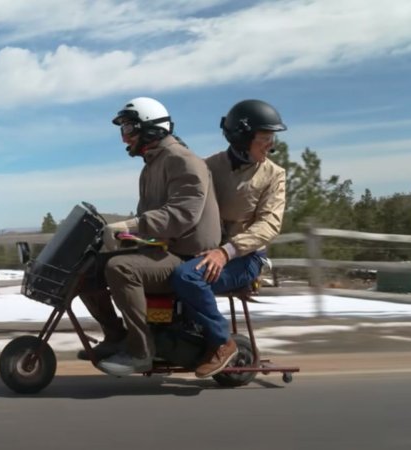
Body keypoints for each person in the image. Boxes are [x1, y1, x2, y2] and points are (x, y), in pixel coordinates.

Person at [77, 97, 221, 377]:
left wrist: (132, 225)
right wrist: (127, 236)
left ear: (151, 129)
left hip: (188, 257)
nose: (124, 139)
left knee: (120, 269)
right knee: (88, 268)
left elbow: (182, 215)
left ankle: (141, 351)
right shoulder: (152, 166)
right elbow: (150, 222)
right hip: (165, 249)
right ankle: (116, 336)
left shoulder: (183, 161)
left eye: (130, 130)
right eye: (124, 131)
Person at [170, 99, 287, 379]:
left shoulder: (274, 175)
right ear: (242, 137)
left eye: (272, 139)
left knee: (188, 278)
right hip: (203, 251)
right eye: (265, 139)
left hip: (244, 258)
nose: (271, 145)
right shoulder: (209, 167)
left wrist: (226, 251)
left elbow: (270, 223)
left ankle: (223, 343)